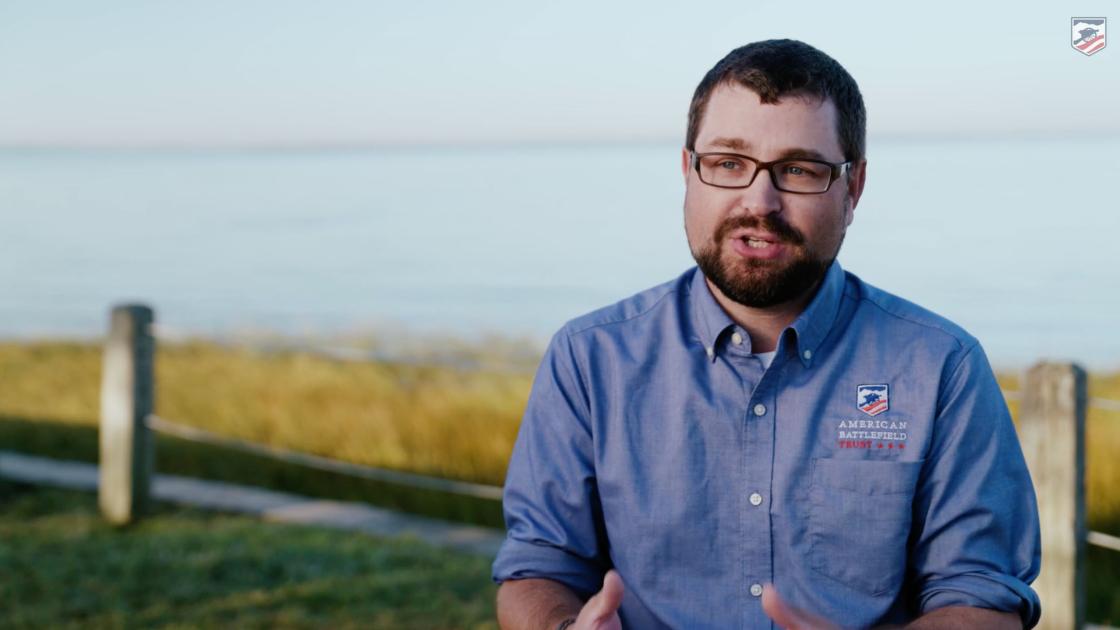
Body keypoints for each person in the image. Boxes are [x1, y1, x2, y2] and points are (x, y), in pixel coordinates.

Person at [492, 39, 1041, 629]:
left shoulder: (941, 367)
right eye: (729, 163)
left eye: (799, 170)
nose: (759, 202)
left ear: (852, 190)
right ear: (688, 171)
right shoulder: (589, 358)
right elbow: (539, 564)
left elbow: (982, 595)